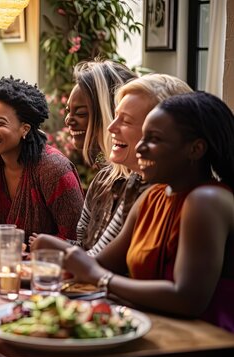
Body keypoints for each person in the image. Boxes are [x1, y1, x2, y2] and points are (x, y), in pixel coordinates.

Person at [34, 91, 234, 332]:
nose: (140, 147)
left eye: (154, 139)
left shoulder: (206, 200)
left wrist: (100, 278)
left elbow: (187, 299)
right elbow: (102, 264)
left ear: (195, 149)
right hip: (155, 328)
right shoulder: (152, 196)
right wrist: (54, 248)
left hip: (204, 340)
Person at [35, 74, 193, 255]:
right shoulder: (121, 181)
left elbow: (97, 263)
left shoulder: (192, 199)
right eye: (116, 116)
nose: (111, 127)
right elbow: (90, 253)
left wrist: (55, 251)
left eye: (125, 120)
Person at [0, 76, 84, 246]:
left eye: (0, 123)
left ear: (25, 129)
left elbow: (77, 240)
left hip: (48, 266)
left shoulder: (53, 169)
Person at [65, 59, 136, 168]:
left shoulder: (135, 176)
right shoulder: (106, 173)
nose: (68, 120)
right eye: (68, 111)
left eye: (81, 113)